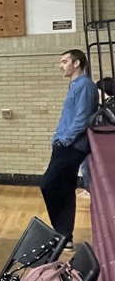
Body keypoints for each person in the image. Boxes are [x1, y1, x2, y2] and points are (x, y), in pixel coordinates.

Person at [40, 49, 98, 240]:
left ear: (76, 64)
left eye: (65, 61)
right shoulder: (75, 85)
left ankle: (62, 233)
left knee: (48, 184)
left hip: (72, 146)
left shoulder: (85, 85)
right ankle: (64, 236)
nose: (61, 66)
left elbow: (81, 119)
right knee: (64, 188)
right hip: (65, 143)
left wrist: (64, 141)